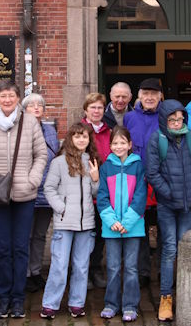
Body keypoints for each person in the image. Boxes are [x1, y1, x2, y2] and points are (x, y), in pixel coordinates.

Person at [0, 80, 48, 318]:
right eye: (3, 96)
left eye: (11, 96)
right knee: (3, 248)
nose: (7, 100)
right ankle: (3, 296)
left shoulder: (29, 123)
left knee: (20, 247)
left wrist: (32, 179)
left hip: (24, 194)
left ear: (17, 98)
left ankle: (18, 297)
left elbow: (41, 154)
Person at [146, 99, 191, 321]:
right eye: (172, 119)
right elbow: (152, 173)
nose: (176, 123)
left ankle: (186, 295)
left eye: (180, 119)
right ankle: (166, 298)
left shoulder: (190, 137)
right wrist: (168, 193)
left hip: (188, 205)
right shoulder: (157, 140)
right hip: (167, 206)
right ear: (164, 120)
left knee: (185, 248)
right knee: (169, 248)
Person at [39, 123, 100, 319]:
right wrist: (61, 208)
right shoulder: (59, 162)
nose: (81, 140)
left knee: (82, 266)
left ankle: (76, 303)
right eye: (77, 136)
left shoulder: (92, 161)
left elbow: (94, 192)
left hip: (86, 222)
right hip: (65, 222)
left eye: (85, 137)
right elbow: (49, 188)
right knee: (59, 264)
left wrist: (96, 178)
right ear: (70, 139)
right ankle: (50, 304)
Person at [97, 126, 146, 322]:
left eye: (122, 143)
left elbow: (141, 196)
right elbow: (102, 197)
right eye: (115, 143)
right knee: (113, 267)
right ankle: (111, 303)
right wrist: (112, 221)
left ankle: (130, 305)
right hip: (112, 228)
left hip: (133, 226)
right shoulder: (106, 167)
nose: (119, 146)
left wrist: (127, 221)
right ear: (110, 146)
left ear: (130, 145)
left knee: (132, 267)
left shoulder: (138, 166)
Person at [123, 77, 162, 286]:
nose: (149, 98)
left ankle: (164, 272)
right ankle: (143, 272)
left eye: (153, 94)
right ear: (139, 96)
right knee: (141, 230)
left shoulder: (166, 116)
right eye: (145, 94)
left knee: (164, 231)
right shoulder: (129, 118)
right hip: (137, 182)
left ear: (159, 97)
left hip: (161, 182)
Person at [22, 93, 60, 293]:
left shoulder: (50, 131)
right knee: (26, 234)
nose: (36, 108)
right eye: (31, 105)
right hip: (27, 191)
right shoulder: (20, 130)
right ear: (24, 110)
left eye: (39, 105)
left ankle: (36, 271)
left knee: (39, 234)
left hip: (47, 191)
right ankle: (25, 273)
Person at [83, 92, 112, 289]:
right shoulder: (80, 131)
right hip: (84, 191)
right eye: (92, 107)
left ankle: (95, 269)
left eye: (100, 107)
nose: (96, 111)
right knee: (86, 234)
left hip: (104, 191)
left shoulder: (109, 132)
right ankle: (83, 272)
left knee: (101, 234)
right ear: (86, 110)